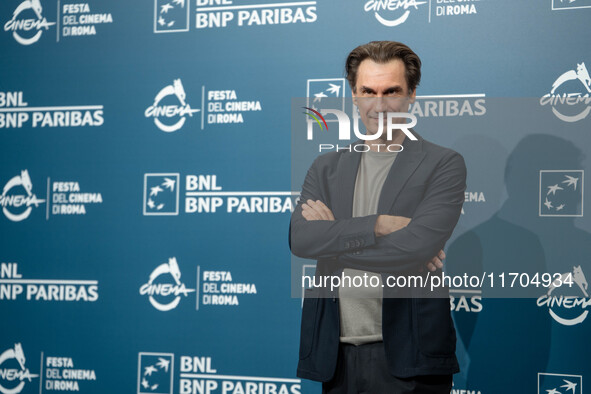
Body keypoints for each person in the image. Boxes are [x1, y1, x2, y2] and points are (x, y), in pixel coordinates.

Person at [290, 41, 466, 393]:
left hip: (410, 357)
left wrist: (333, 240)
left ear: (412, 95)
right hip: (335, 357)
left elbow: (415, 248)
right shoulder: (326, 168)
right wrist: (377, 225)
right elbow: (301, 239)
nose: (379, 105)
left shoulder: (442, 163)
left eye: (392, 91)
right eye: (367, 91)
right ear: (353, 96)